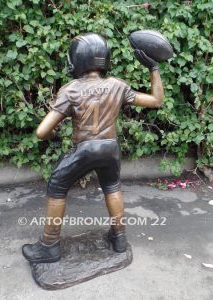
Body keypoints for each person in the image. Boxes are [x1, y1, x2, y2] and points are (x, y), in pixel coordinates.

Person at [22, 32, 164, 263]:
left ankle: (49, 245)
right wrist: (154, 67)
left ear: (77, 60)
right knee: (112, 186)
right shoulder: (117, 85)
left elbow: (41, 132)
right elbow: (157, 100)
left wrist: (53, 135)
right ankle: (119, 239)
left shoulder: (70, 89)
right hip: (110, 147)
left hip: (85, 148)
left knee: (56, 186)